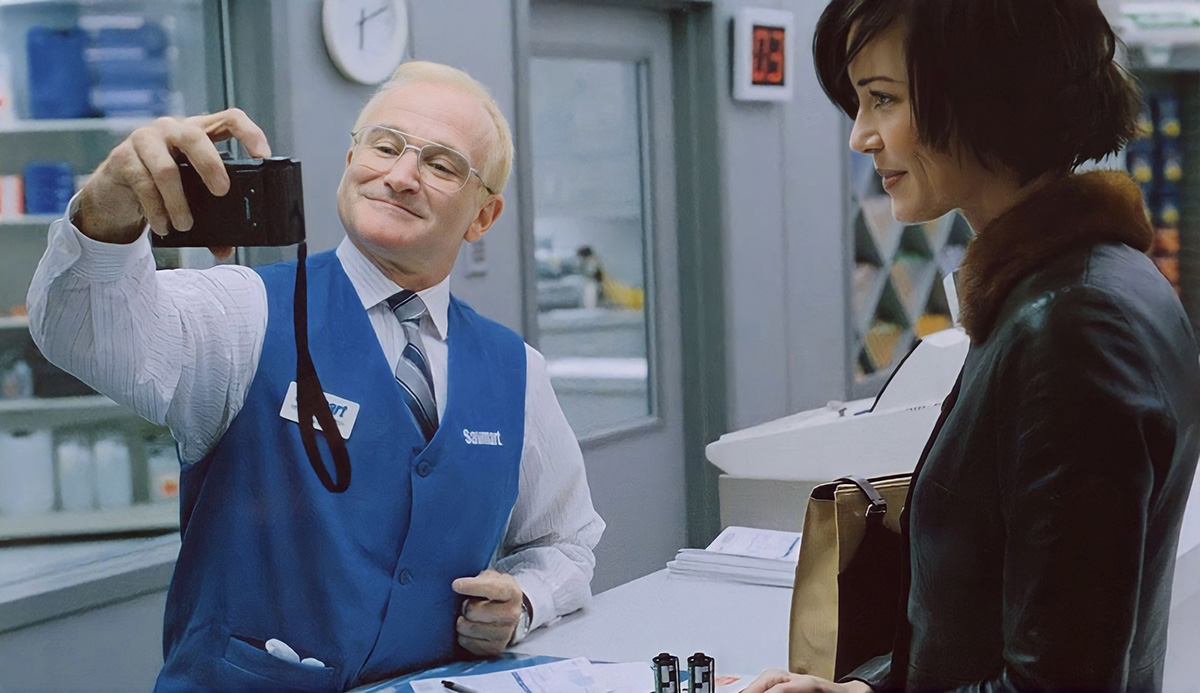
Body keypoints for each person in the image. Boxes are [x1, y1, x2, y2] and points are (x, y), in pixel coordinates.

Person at [27, 60, 604, 691]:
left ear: (483, 217)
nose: (401, 176)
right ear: (352, 160)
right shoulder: (246, 312)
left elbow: (565, 543)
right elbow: (86, 333)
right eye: (385, 146)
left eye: (441, 166)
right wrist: (108, 207)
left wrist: (523, 602)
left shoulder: (517, 371)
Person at [744, 1, 1200, 691]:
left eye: (883, 99)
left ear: (988, 92)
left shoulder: (1072, 324)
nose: (860, 136)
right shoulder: (1071, 284)